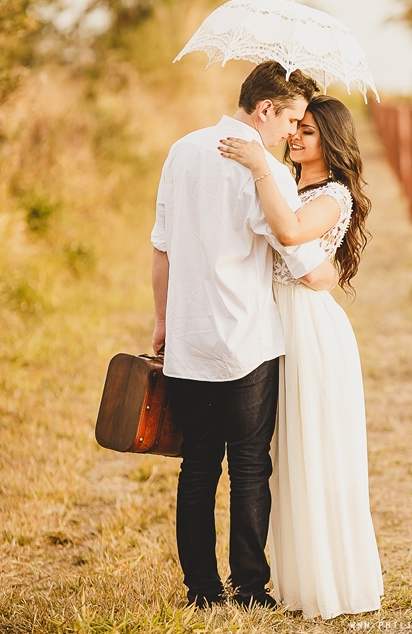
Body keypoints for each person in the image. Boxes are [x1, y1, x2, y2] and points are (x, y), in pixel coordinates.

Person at [150, 62, 339, 610]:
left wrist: (162, 321)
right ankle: (251, 590)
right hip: (247, 338)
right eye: (292, 120)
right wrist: (329, 273)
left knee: (198, 465)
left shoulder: (182, 150)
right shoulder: (264, 172)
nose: (290, 134)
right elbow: (300, 256)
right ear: (265, 110)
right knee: (251, 464)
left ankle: (201, 592)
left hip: (189, 337)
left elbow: (161, 244)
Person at [218, 94, 383, 620]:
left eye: (308, 132)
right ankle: (293, 578)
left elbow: (290, 233)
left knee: (315, 450)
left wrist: (259, 165)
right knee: (283, 456)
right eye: (296, 127)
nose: (295, 137)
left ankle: (332, 583)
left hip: (309, 328)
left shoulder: (333, 195)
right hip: (272, 324)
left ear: (331, 142)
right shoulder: (293, 185)